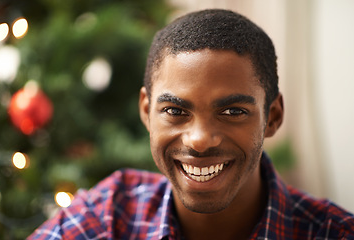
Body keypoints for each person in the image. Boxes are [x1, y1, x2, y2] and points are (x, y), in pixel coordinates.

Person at [28, 9, 354, 240]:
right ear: (146, 112)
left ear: (272, 117)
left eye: (232, 112)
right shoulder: (108, 215)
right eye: (175, 111)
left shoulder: (334, 233)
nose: (199, 140)